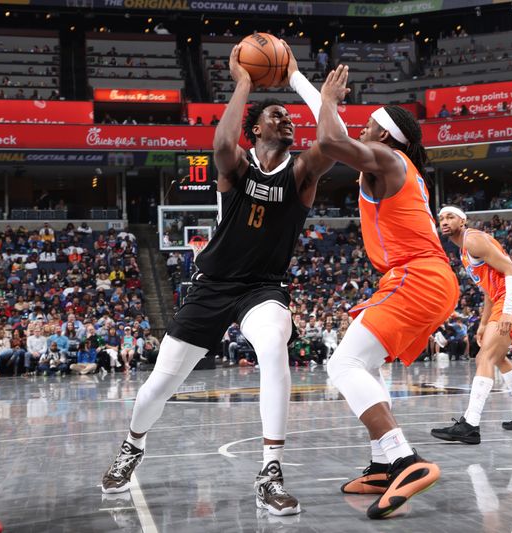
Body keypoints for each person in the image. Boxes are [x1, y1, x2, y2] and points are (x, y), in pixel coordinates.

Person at [101, 42, 344, 517]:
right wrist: (244, 83)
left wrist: (305, 86)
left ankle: (270, 471)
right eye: (277, 116)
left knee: (274, 345)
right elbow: (219, 144)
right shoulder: (236, 166)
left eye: (290, 118)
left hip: (262, 288)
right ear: (254, 128)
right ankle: (132, 447)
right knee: (158, 387)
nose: (288, 121)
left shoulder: (300, 173)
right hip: (212, 285)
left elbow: (334, 144)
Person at [317, 65, 459, 519]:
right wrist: (307, 86)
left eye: (371, 122)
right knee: (366, 364)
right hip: (421, 277)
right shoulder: (393, 161)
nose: (364, 127)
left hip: (417, 276)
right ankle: (382, 466)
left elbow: (330, 142)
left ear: (387, 133)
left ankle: (404, 460)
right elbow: (338, 135)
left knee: (343, 363)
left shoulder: (389, 160)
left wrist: (328, 98)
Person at [431, 206, 512, 446]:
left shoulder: (473, 240)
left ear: (463, 221)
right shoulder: (463, 250)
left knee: (485, 358)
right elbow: (489, 290)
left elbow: (511, 270)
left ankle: (470, 425)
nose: (445, 221)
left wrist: (508, 313)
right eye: (441, 218)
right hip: (503, 298)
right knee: (498, 357)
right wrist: (483, 323)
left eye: (450, 217)